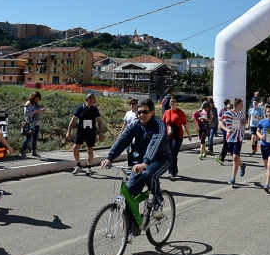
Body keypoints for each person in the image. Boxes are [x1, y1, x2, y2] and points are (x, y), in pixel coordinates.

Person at [100, 98, 171, 239]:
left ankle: (158, 200)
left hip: (160, 159)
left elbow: (154, 143)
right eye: (139, 112)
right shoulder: (135, 124)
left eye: (145, 112)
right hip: (139, 163)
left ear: (152, 112)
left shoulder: (159, 125)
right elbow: (123, 139)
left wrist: (145, 162)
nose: (141, 115)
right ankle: (132, 229)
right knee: (129, 195)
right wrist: (109, 157)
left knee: (148, 174)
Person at [66, 93, 105, 175]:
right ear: (88, 99)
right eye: (92, 99)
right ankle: (78, 165)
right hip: (81, 132)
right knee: (75, 148)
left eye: (94, 100)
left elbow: (99, 122)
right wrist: (68, 131)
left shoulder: (95, 109)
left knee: (90, 149)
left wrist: (101, 133)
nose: (94, 101)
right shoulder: (80, 108)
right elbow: (73, 120)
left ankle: (89, 167)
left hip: (91, 132)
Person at [162, 97, 191, 180]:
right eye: (171, 102)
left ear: (177, 103)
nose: (172, 103)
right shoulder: (166, 112)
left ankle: (171, 172)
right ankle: (175, 170)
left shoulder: (180, 113)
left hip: (178, 136)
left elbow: (185, 125)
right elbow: (163, 124)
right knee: (170, 154)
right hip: (168, 136)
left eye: (174, 102)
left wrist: (189, 135)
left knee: (173, 154)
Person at [220, 98, 246, 187]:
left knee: (235, 157)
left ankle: (233, 178)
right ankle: (242, 165)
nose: (243, 106)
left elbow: (244, 122)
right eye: (242, 104)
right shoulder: (228, 113)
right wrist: (227, 129)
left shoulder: (241, 114)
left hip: (239, 138)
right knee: (235, 157)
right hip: (230, 139)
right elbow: (221, 124)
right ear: (238, 105)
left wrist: (244, 122)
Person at [21, 91, 46, 158]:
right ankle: (23, 152)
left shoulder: (35, 104)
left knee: (35, 138)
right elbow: (26, 114)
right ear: (33, 97)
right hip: (30, 123)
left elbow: (37, 111)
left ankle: (34, 152)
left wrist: (41, 110)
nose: (37, 100)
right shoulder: (28, 103)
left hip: (36, 123)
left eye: (38, 99)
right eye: (37, 98)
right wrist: (33, 112)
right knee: (28, 138)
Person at [215, 99, 231, 166]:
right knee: (225, 143)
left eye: (230, 108)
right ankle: (221, 157)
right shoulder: (223, 111)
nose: (229, 109)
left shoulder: (234, 114)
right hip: (225, 129)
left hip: (233, 133)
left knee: (230, 146)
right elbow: (220, 118)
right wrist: (222, 119)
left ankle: (240, 163)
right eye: (228, 107)